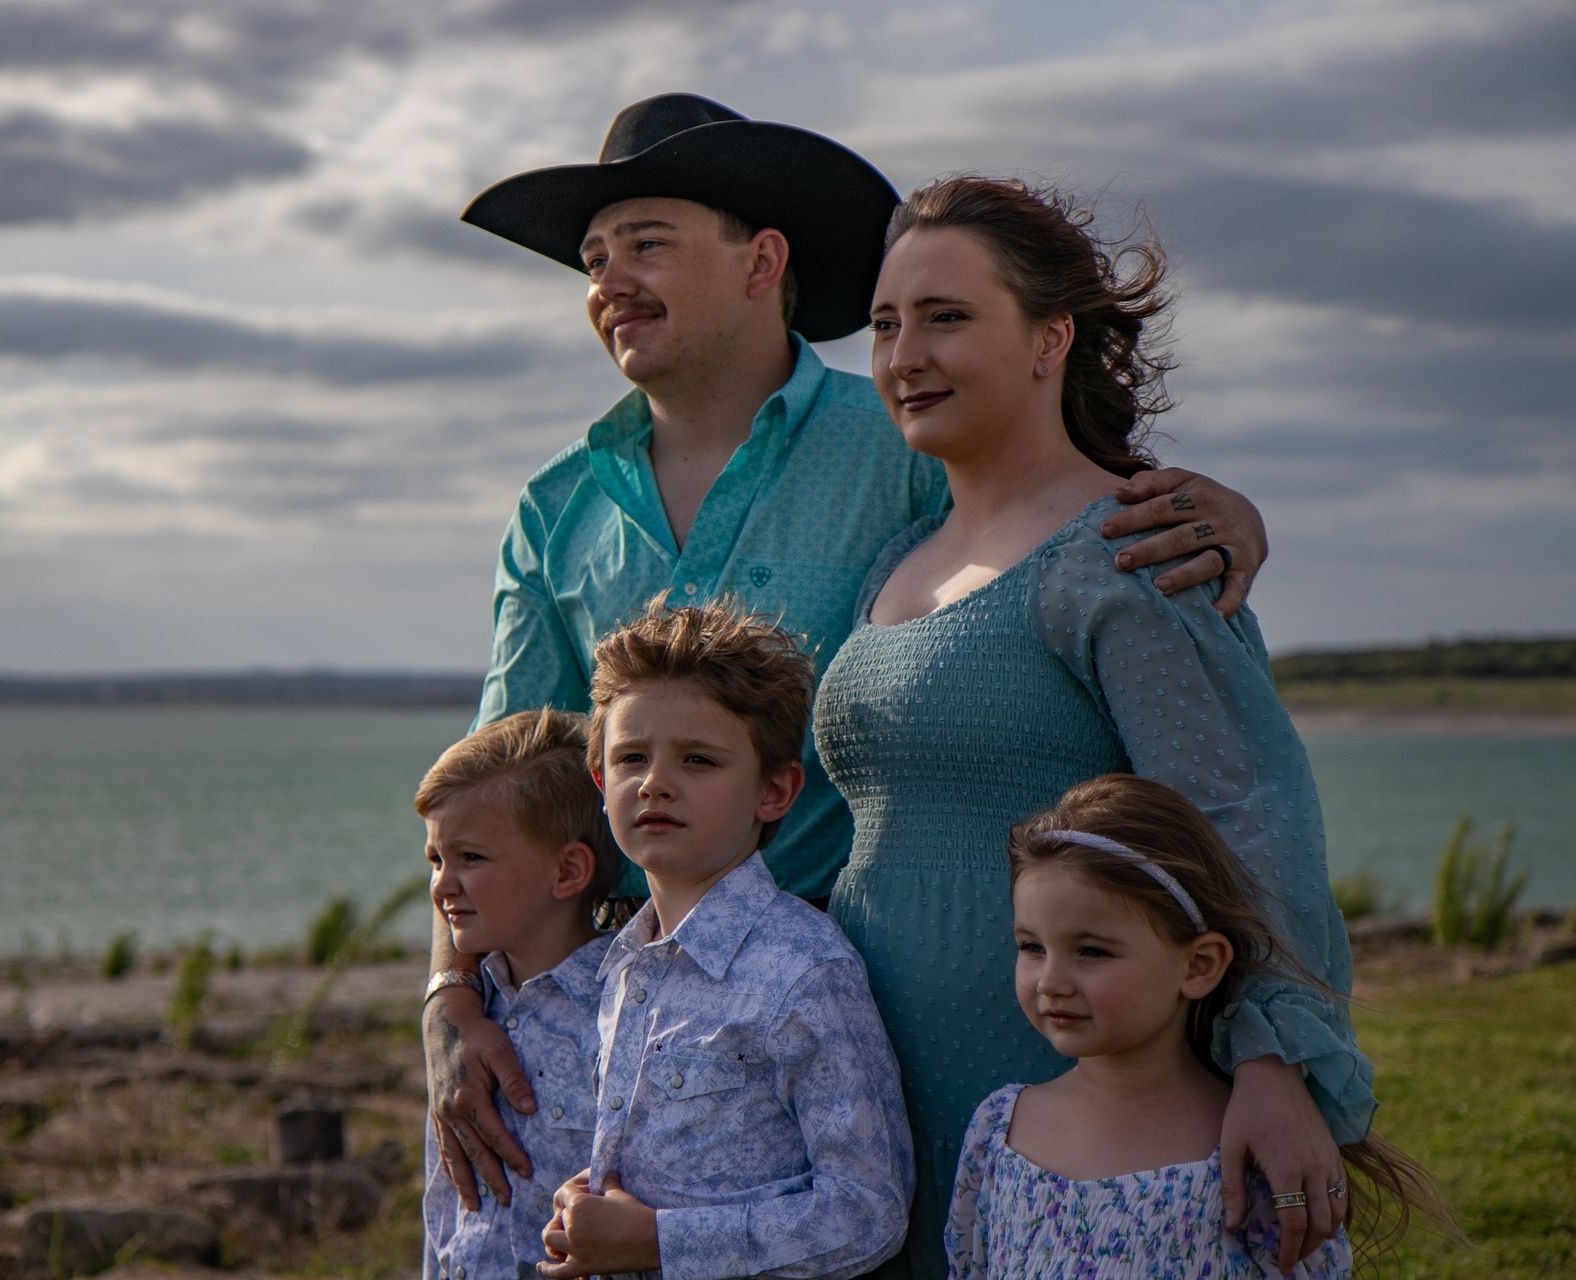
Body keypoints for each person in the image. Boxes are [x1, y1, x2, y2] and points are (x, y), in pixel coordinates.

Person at [430, 91, 1271, 1212]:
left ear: (761, 259)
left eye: (645, 243)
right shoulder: (554, 507)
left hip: (895, 994)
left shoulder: (910, 439)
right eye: (592, 258)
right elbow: (495, 790)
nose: (607, 282)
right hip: (631, 1027)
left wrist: (1209, 507)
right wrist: (450, 999)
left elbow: (1056, 520)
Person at [812, 174, 1377, 1272]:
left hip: (1060, 1103)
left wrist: (1274, 1062)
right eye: (884, 324)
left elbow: (1242, 812)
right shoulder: (897, 560)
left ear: (1049, 338)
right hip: (873, 1103)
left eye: (947, 316)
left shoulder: (1128, 550)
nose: (903, 354)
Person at [537, 597, 912, 1280]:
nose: (654, 783)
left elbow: (867, 1212)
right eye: (630, 758)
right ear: (600, 782)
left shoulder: (803, 969)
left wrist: (658, 1242)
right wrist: (592, 1205)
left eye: (698, 761)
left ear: (774, 791)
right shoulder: (624, 962)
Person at [945, 774, 1453, 1276]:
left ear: (1198, 965)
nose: (1050, 981)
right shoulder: (999, 1130)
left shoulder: (1254, 1149)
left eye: (1092, 951)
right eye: (1032, 947)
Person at [416, 709, 624, 1280]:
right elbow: (445, 1201)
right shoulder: (464, 1021)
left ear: (567, 871)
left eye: (470, 858)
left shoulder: (626, 1012)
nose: (442, 885)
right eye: (436, 859)